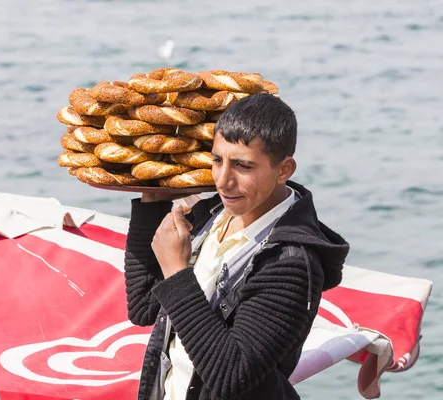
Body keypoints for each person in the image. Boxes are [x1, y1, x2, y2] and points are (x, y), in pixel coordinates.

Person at [124, 93, 350, 400]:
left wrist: (177, 271)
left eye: (242, 166)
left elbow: (232, 376)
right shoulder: (211, 214)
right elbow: (143, 308)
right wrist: (151, 199)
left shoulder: (292, 263)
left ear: (284, 170)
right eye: (217, 160)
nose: (223, 181)